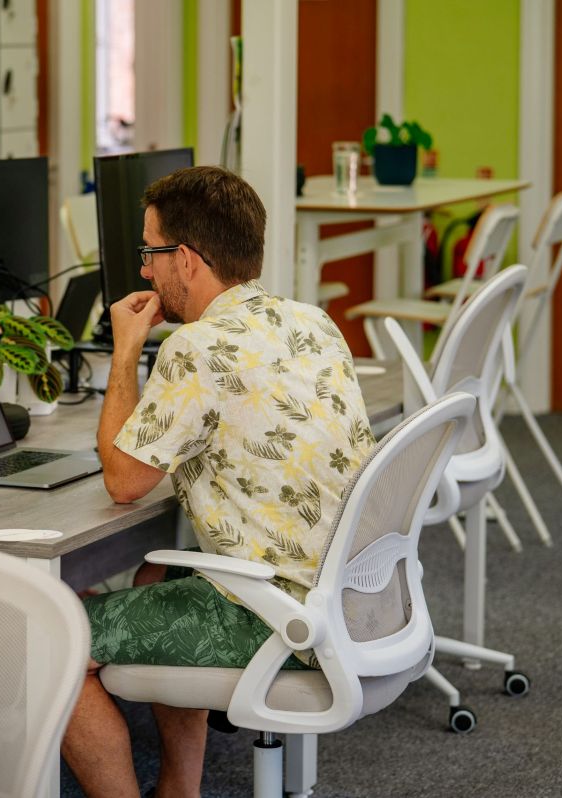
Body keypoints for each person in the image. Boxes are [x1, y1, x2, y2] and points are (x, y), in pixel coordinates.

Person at [62, 166, 375, 797]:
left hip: (278, 617)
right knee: (155, 576)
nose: (144, 270)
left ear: (185, 258)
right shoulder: (313, 321)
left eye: (150, 253)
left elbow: (124, 481)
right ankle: (180, 789)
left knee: (53, 640)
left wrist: (126, 350)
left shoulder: (196, 348)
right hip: (353, 596)